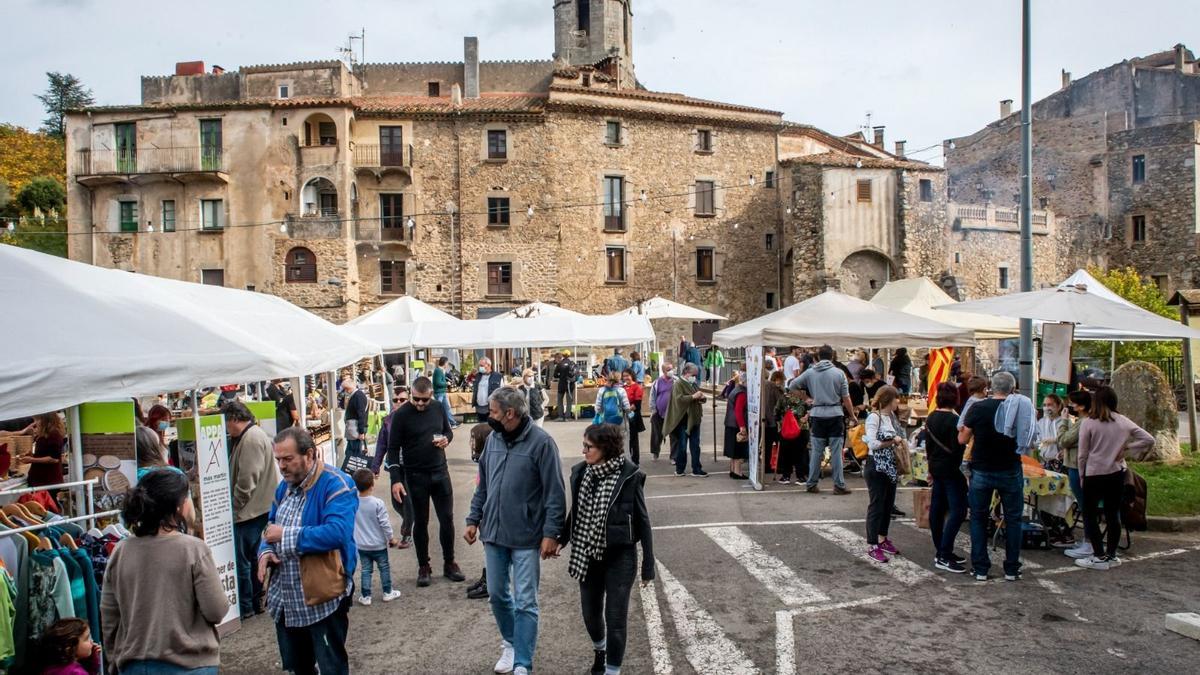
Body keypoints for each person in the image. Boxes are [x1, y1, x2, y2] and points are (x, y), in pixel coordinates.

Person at [465, 387, 566, 675]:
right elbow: (483, 485)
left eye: (493, 411)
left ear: (510, 414)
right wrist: (473, 519)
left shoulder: (542, 443)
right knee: (497, 595)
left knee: (525, 601)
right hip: (493, 535)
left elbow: (554, 494)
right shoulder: (493, 440)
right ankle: (510, 643)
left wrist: (551, 533)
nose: (489, 416)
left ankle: (523, 661)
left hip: (526, 537)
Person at [102, 470, 229, 674]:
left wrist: (114, 659)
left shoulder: (121, 550)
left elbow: (109, 616)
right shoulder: (194, 549)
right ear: (178, 507)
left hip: (135, 664)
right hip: (190, 664)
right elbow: (217, 610)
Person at [258, 427, 357, 675]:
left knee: (331, 667)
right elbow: (270, 527)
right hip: (287, 599)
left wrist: (286, 535)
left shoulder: (337, 484)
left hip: (323, 598)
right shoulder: (284, 488)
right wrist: (265, 551)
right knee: (297, 667)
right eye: (278, 459)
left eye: (288, 459)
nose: (281, 466)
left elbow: (338, 532)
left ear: (310, 455)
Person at [561, 424, 654, 675]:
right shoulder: (582, 473)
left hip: (620, 556)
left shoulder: (629, 476)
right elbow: (576, 513)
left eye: (588, 447)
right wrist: (560, 539)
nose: (584, 452)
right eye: (584, 446)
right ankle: (600, 651)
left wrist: (648, 566)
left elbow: (642, 521)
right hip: (587, 555)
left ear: (605, 448)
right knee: (591, 615)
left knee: (615, 619)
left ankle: (612, 671)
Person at [386, 376, 462, 587]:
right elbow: (392, 449)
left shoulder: (437, 407)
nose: (420, 404)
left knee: (447, 518)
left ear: (431, 396)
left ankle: (449, 562)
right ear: (411, 394)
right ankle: (423, 565)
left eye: (424, 400)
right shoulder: (401, 415)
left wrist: (447, 439)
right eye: (416, 399)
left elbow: (447, 430)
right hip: (415, 475)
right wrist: (395, 479)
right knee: (421, 522)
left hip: (439, 471)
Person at [1074, 387, 1155, 570]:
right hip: (1116, 472)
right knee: (1112, 513)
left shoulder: (1089, 423)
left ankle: (1098, 555)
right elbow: (1149, 439)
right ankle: (1111, 554)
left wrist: (1081, 475)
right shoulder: (1123, 421)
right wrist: (1127, 448)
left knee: (1090, 514)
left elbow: (1082, 454)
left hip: (1094, 473)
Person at [958, 371, 1025, 582]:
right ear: (1013, 389)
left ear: (990, 388)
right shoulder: (1020, 408)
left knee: (978, 518)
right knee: (1013, 519)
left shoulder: (978, 407)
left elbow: (962, 438)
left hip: (982, 469)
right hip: (1010, 467)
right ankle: (1012, 568)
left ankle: (980, 568)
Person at [223, 400, 277, 619]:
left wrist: (234, 507)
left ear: (235, 419)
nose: (226, 428)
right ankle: (254, 601)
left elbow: (247, 480)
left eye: (226, 422)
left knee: (245, 561)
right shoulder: (251, 436)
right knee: (253, 559)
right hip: (256, 509)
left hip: (250, 511)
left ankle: (248, 605)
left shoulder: (251, 438)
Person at [792, 345, 856, 495]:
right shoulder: (839, 373)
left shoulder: (810, 372)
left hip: (817, 414)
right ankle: (839, 485)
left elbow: (792, 385)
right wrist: (852, 415)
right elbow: (846, 398)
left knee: (816, 451)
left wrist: (807, 398)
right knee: (836, 451)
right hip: (835, 413)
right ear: (832, 356)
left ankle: (812, 483)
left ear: (818, 357)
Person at [924, 382, 968, 573]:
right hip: (951, 469)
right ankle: (944, 552)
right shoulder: (955, 421)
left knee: (938, 509)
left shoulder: (931, 417)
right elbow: (959, 446)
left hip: (936, 466)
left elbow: (928, 446)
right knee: (958, 510)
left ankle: (941, 549)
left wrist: (930, 469)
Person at [863, 386, 905, 563]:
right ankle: (873, 544)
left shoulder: (891, 417)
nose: (898, 402)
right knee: (877, 505)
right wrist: (891, 441)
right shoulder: (874, 417)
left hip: (890, 466)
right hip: (876, 466)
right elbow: (872, 443)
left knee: (888, 505)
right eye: (896, 399)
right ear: (889, 399)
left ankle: (882, 538)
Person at [351, 469, 401, 605]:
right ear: (372, 485)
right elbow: (384, 524)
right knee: (384, 568)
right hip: (378, 544)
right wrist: (391, 538)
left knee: (366, 570)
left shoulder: (353, 503)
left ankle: (366, 596)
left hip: (361, 545)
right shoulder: (377, 503)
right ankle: (387, 592)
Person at [372, 389, 414, 549]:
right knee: (396, 502)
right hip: (394, 465)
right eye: (395, 399)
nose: (397, 402)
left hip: (411, 466)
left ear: (408, 400)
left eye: (402, 399)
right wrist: (375, 466)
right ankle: (409, 520)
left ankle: (407, 532)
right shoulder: (388, 421)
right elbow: (381, 444)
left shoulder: (414, 418)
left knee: (408, 500)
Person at [1057, 390, 1092, 553]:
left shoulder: (1083, 422)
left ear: (1082, 406)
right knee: (1084, 504)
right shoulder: (1084, 420)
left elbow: (1064, 440)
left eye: (1073, 403)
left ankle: (1089, 541)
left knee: (1085, 505)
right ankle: (1088, 540)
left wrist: (1063, 421)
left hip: (1077, 467)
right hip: (1077, 464)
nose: (1070, 406)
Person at [665, 363, 707, 477]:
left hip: (694, 419)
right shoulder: (678, 384)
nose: (695, 377)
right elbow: (678, 400)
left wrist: (702, 398)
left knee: (695, 446)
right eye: (693, 375)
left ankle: (696, 469)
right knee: (682, 447)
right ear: (686, 373)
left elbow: (699, 397)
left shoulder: (693, 384)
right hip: (683, 420)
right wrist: (693, 397)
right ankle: (680, 469)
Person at [31, 617, 101, 675]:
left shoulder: (49, 667)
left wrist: (92, 660)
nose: (91, 642)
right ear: (69, 647)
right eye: (87, 638)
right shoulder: (76, 672)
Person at [774, 375, 810, 485]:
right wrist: (806, 418)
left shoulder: (783, 398)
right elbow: (811, 411)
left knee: (786, 453)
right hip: (802, 429)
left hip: (786, 429)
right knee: (801, 452)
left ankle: (786, 476)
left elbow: (776, 412)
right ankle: (801, 477)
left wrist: (780, 422)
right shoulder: (805, 399)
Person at [19, 412, 65, 488]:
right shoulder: (44, 435)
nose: (35, 423)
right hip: (39, 479)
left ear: (45, 420)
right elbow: (44, 454)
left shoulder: (54, 435)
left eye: (37, 420)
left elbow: (53, 459)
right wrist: (32, 455)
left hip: (48, 480)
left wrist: (32, 459)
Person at [723, 372, 749, 480]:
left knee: (732, 449)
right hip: (736, 424)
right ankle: (738, 472)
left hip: (730, 422)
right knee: (738, 449)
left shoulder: (735, 389)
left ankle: (733, 470)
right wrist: (742, 426)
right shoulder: (742, 393)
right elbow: (738, 410)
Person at [648, 362, 676, 460]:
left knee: (674, 436)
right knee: (656, 434)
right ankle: (655, 453)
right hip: (658, 413)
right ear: (663, 371)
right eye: (668, 369)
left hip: (673, 413)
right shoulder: (657, 382)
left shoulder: (676, 381)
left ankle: (673, 456)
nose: (671, 371)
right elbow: (652, 396)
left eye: (671, 369)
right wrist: (653, 410)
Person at [761, 369, 785, 480]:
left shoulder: (762, 386)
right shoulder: (775, 388)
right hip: (773, 421)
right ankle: (779, 466)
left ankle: (765, 465)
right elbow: (780, 402)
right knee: (780, 443)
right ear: (778, 379)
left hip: (763, 419)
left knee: (766, 444)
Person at [622, 368, 646, 465]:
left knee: (633, 439)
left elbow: (637, 404)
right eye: (624, 376)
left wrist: (627, 409)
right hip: (623, 416)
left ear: (632, 376)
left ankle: (635, 460)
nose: (625, 378)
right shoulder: (622, 388)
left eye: (627, 375)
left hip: (633, 416)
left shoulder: (637, 387)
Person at [1035, 394, 1066, 470]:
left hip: (1060, 462)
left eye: (1050, 405)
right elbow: (1037, 441)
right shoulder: (1041, 422)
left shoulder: (1065, 422)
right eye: (1045, 405)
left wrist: (1055, 440)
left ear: (1059, 407)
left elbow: (1069, 441)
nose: (1046, 408)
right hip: (1044, 461)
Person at [342, 377, 369, 458]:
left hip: (356, 430)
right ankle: (352, 470)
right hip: (353, 431)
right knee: (350, 454)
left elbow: (361, 414)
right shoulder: (356, 395)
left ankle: (356, 470)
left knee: (355, 455)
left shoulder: (358, 396)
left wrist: (361, 432)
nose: (345, 391)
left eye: (346, 389)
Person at [433, 357, 460, 429]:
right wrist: (446, 383)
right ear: (444, 363)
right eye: (447, 363)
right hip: (439, 393)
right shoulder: (438, 371)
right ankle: (437, 425)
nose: (447, 365)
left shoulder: (440, 370)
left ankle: (452, 423)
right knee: (439, 410)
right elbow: (438, 383)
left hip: (441, 393)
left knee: (446, 408)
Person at [555, 352, 578, 421]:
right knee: (569, 401)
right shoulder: (572, 363)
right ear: (569, 355)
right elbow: (576, 374)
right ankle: (568, 417)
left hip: (561, 384)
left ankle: (561, 416)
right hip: (570, 385)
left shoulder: (559, 364)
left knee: (560, 400)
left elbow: (555, 375)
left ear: (563, 355)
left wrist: (561, 376)